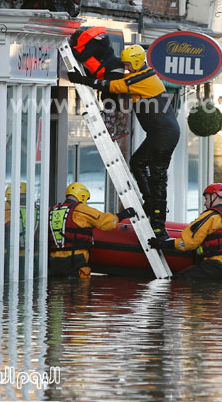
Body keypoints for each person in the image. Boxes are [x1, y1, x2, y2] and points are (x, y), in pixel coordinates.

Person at [68, 45, 181, 242]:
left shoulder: (141, 78)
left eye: (128, 64)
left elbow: (111, 86)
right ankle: (149, 203)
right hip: (159, 133)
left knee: (158, 177)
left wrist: (82, 80)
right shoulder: (144, 75)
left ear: (137, 62)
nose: (127, 68)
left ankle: (159, 227)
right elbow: (117, 83)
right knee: (137, 163)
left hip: (163, 134)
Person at [149, 183, 222, 282]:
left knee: (177, 282)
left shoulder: (210, 217)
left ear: (214, 196)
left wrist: (162, 244)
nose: (205, 203)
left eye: (206, 199)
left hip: (213, 265)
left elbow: (188, 243)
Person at [48, 181, 135, 278]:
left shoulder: (52, 210)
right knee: (78, 290)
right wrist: (123, 214)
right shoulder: (81, 209)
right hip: (75, 260)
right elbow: (105, 222)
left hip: (54, 261)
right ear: (83, 196)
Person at [68, 26, 128, 139]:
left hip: (111, 70)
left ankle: (110, 127)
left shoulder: (92, 43)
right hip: (115, 69)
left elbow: (81, 57)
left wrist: (70, 48)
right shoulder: (98, 41)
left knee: (107, 97)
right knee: (113, 98)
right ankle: (121, 127)